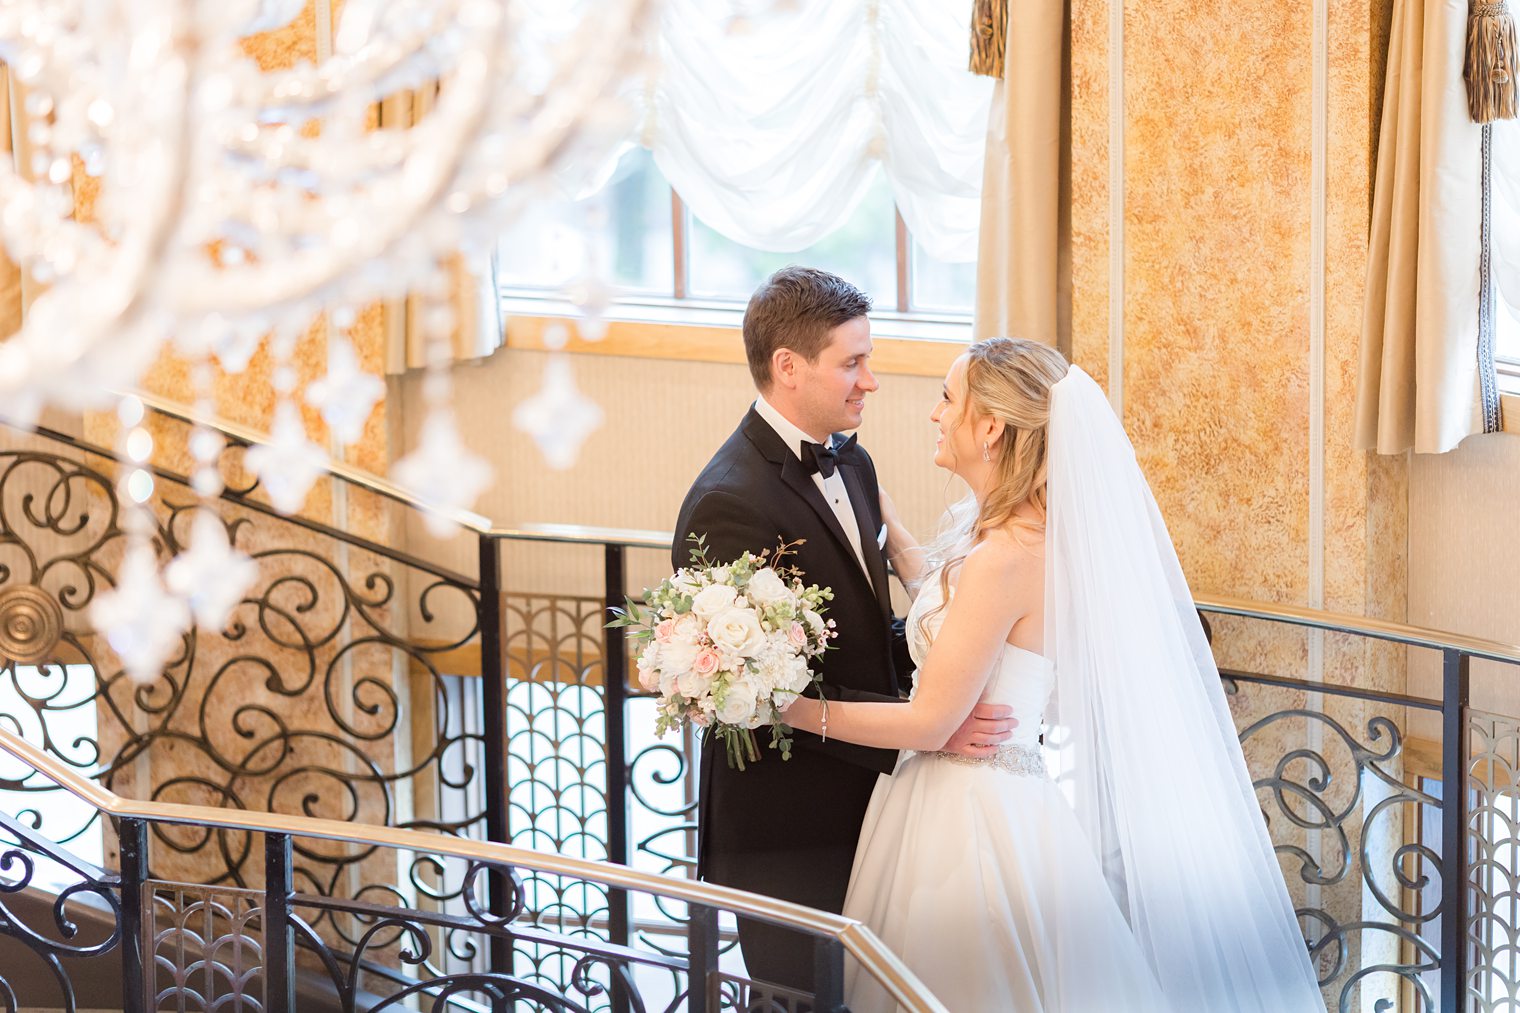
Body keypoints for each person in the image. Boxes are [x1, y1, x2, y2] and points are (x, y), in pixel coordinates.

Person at [781, 337, 1324, 1012]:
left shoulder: (1004, 555)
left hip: (966, 817)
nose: (934, 414)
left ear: (990, 427)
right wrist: (892, 534)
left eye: (948, 398)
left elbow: (930, 721)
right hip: (991, 796)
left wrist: (794, 709)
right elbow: (967, 623)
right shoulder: (1021, 533)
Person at [671, 267, 1017, 995]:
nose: (872, 381)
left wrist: (949, 664)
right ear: (788, 367)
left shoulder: (853, 462)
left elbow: (856, 633)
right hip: (789, 829)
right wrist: (923, 726)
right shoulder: (728, 502)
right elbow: (762, 697)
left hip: (879, 810)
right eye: (852, 361)